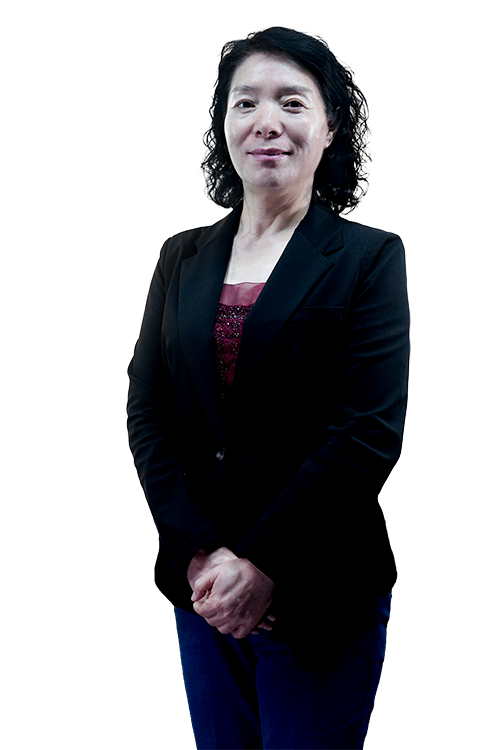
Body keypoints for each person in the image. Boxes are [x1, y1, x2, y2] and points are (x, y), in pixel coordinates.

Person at [127, 25, 410, 750]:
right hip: (204, 595)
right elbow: (148, 410)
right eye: (245, 102)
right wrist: (199, 555)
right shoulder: (181, 258)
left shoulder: (368, 257)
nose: (266, 122)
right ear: (222, 124)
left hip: (317, 594)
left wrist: (262, 567)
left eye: (292, 101)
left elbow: (368, 431)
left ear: (330, 126)